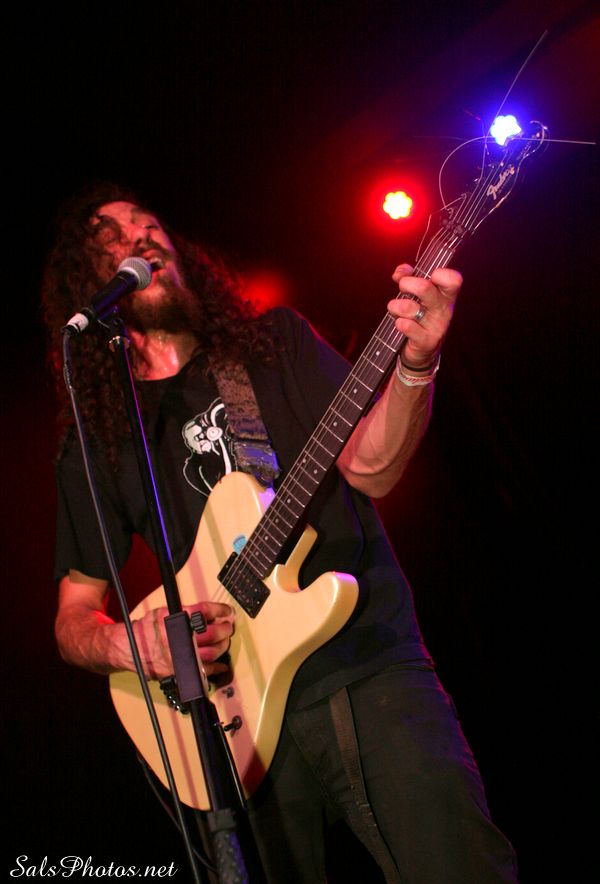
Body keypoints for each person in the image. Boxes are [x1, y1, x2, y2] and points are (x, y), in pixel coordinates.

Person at [42, 182, 518, 882]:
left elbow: (373, 469)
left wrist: (416, 364)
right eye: (110, 239)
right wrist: (133, 645)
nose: (140, 238)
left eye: (149, 225)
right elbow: (73, 617)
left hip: (366, 667)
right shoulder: (101, 440)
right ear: (86, 283)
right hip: (230, 730)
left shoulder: (273, 344)